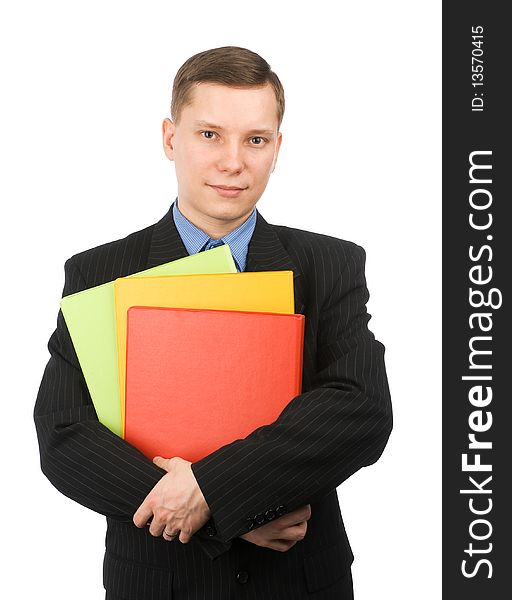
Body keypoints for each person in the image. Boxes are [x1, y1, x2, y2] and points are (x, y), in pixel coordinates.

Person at [34, 46, 393, 599]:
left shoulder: (331, 265)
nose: (233, 162)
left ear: (277, 148)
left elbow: (359, 410)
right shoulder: (97, 271)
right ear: (170, 138)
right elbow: (65, 435)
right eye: (209, 135)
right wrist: (223, 513)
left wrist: (212, 491)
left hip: (299, 582)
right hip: (159, 582)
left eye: (255, 139)